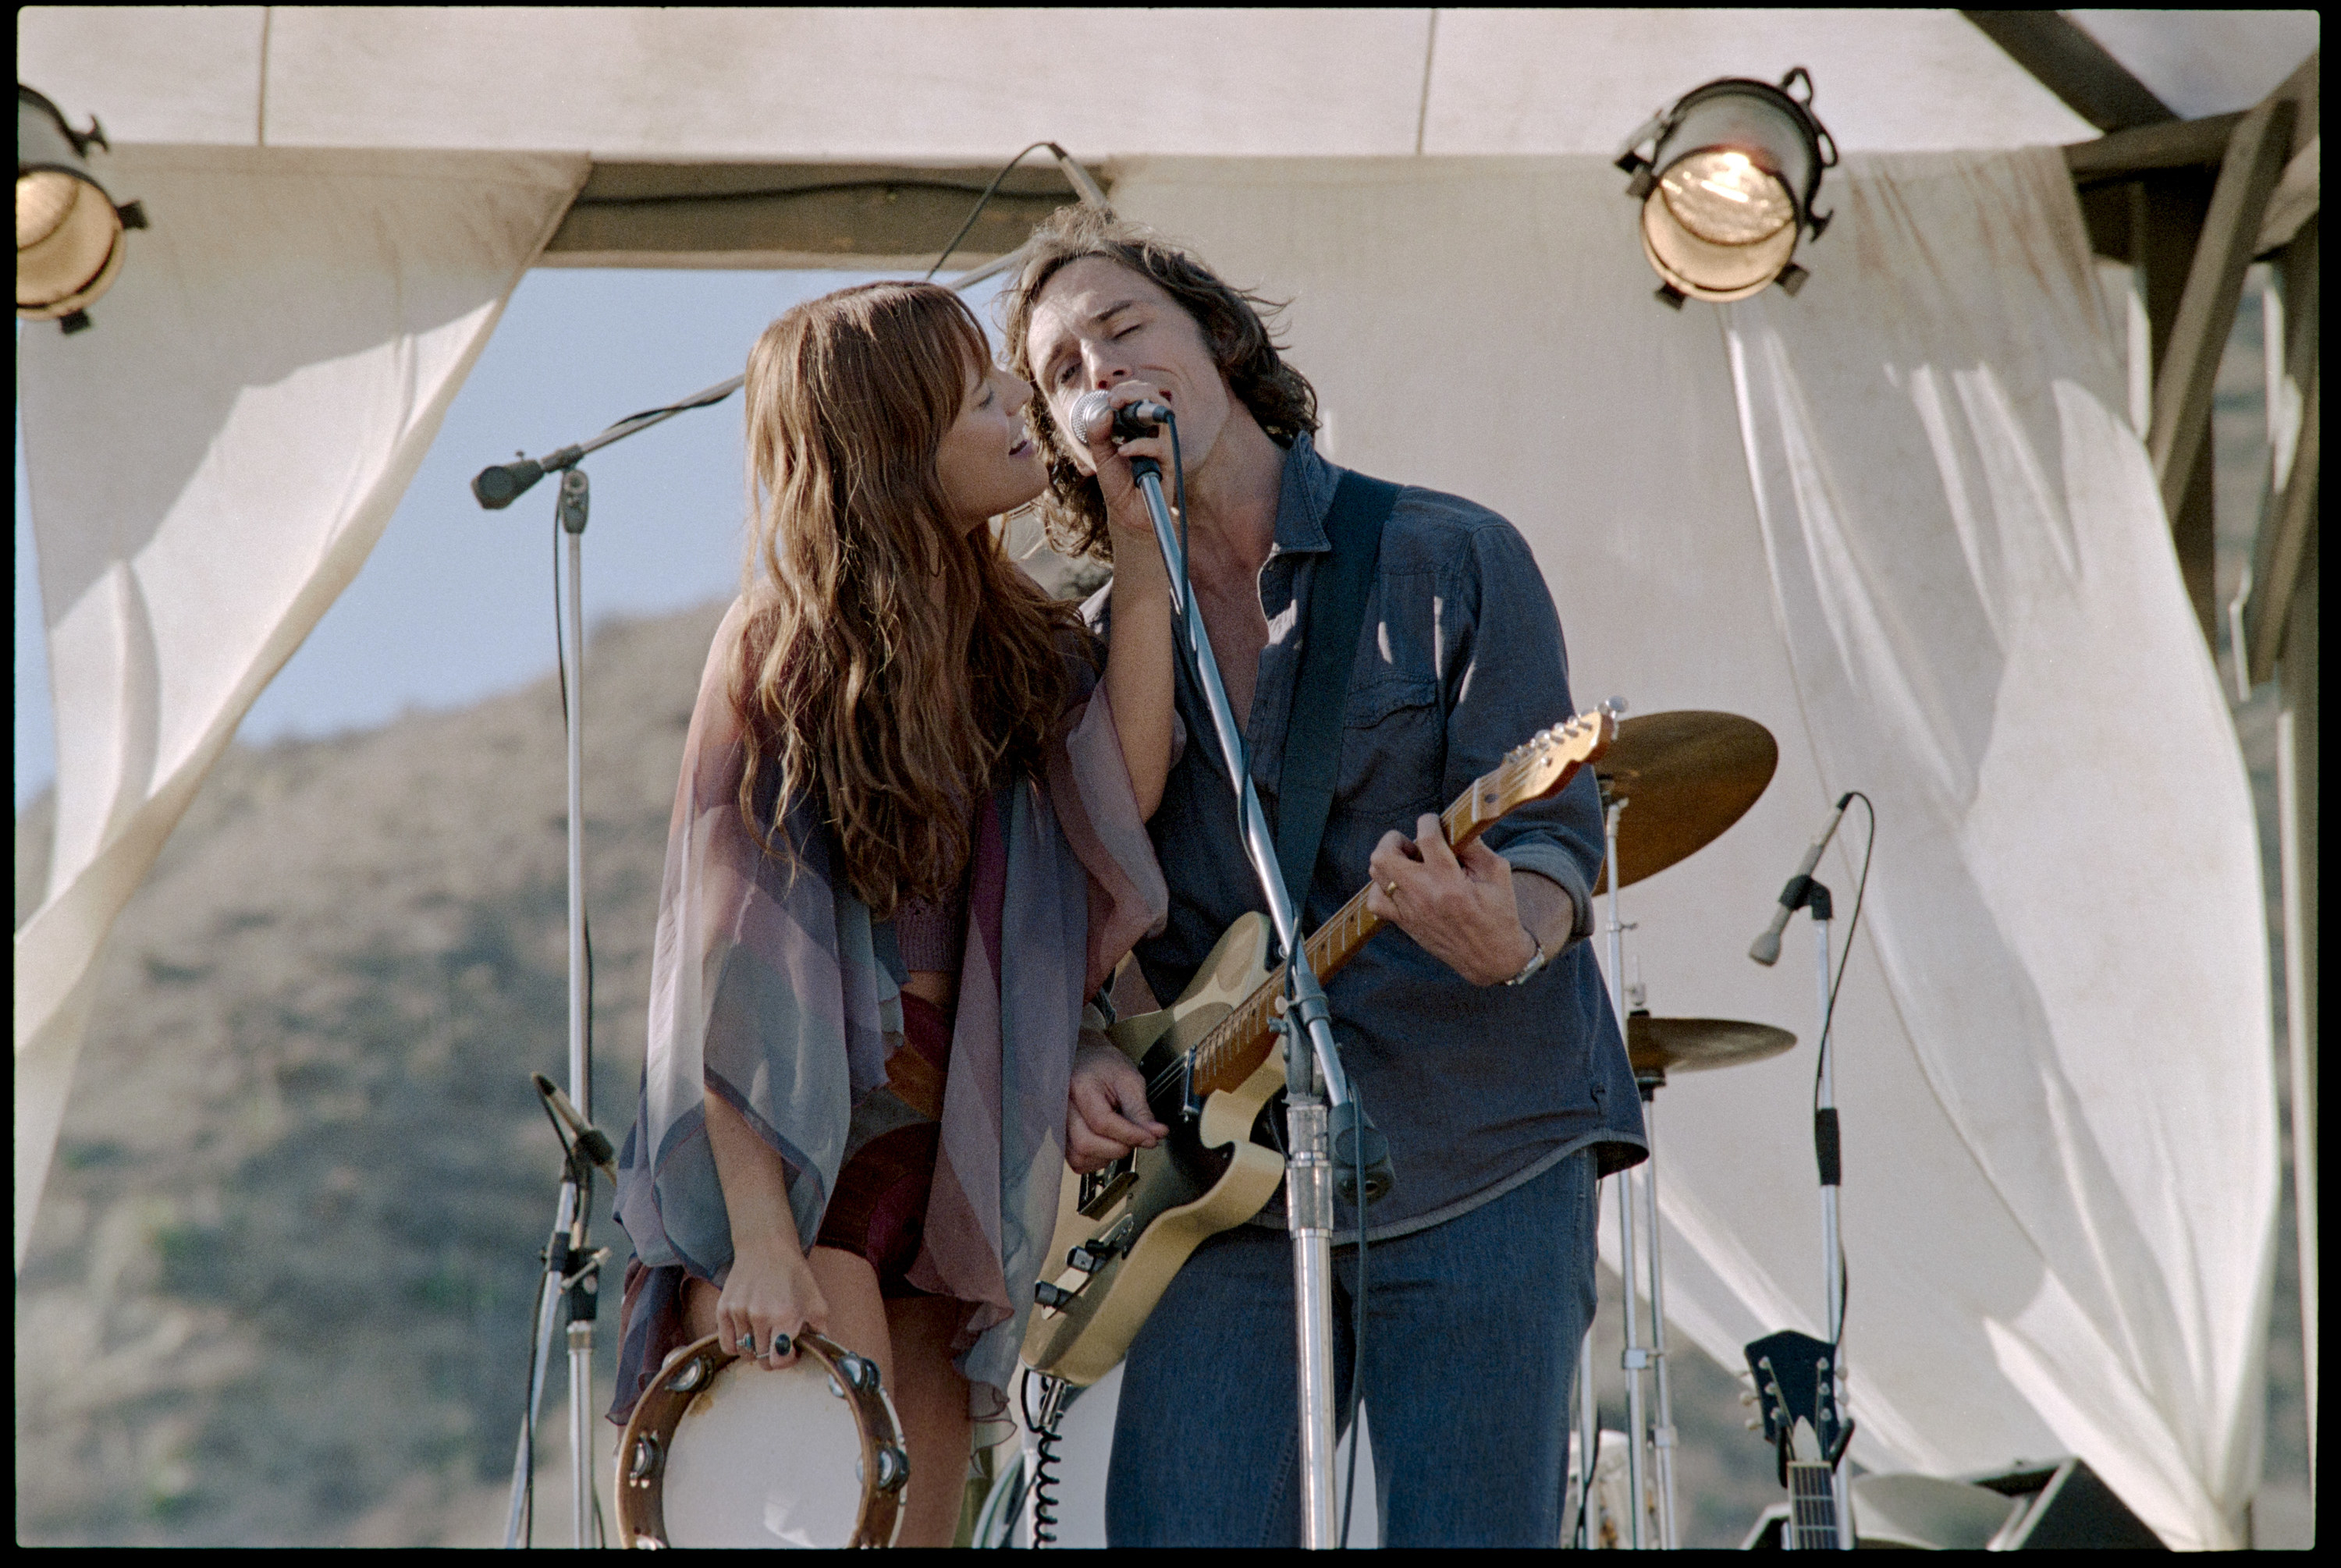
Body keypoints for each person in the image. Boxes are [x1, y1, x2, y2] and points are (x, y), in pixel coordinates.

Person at [1000, 208, 1649, 1548]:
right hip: (1220, 1190)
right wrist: (1070, 1038)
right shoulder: (1075, 655)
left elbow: (1553, 842)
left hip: (1477, 1148)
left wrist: (1508, 930)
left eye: (1123, 329)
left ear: (1218, 340)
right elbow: (1068, 889)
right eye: (1061, 374)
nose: (1098, 374)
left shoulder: (1451, 554)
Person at [606, 282, 1179, 1546]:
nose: (1020, 408)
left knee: (918, 1523)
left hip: (953, 1158)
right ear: (891, 456)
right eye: (982, 397)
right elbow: (727, 962)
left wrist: (1142, 552)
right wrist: (760, 1239)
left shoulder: (1020, 642)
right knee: (842, 1495)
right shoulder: (775, 647)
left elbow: (1115, 801)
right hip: (806, 1160)